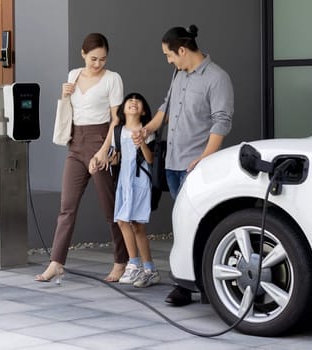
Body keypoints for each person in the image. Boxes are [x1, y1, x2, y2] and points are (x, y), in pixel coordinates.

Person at [135, 25, 234, 304]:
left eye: (169, 54)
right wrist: (147, 129)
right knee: (182, 225)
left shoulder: (217, 78)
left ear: (182, 49)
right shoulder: (179, 75)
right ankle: (186, 282)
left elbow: (222, 121)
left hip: (197, 166)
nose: (168, 60)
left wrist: (204, 159)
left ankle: (200, 286)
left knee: (201, 224)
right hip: (173, 163)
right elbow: (166, 108)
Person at [35, 33, 128, 284]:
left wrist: (104, 151)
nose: (98, 64)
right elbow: (70, 109)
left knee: (110, 208)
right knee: (67, 207)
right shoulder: (73, 75)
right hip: (76, 144)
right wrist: (65, 94)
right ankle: (56, 262)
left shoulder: (112, 79)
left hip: (100, 141)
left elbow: (116, 120)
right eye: (93, 59)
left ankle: (121, 261)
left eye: (103, 59)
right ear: (83, 54)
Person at [104, 93, 161, 288]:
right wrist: (110, 160)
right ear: (124, 109)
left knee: (137, 225)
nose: (134, 102)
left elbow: (150, 159)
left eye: (138, 101)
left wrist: (142, 142)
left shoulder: (147, 131)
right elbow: (115, 156)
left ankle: (144, 267)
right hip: (123, 181)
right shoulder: (118, 131)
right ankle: (139, 265)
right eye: (130, 100)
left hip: (140, 181)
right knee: (122, 221)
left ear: (143, 110)